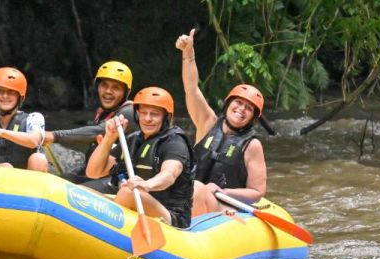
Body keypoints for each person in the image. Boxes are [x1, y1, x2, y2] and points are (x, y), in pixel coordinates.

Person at [175, 29, 267, 217]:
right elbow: (191, 89)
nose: (241, 109)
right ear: (228, 104)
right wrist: (188, 55)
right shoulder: (207, 122)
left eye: (248, 108)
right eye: (238, 103)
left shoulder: (252, 145)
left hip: (223, 205)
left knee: (199, 189)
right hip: (190, 199)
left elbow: (257, 192)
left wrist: (222, 192)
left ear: (252, 117)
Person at [85, 86, 196, 228]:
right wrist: (109, 138)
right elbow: (93, 172)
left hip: (171, 215)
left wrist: (146, 185)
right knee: (85, 193)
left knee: (128, 193)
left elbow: (170, 174)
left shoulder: (175, 142)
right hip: (136, 203)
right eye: (143, 113)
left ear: (166, 117)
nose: (147, 119)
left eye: (154, 114)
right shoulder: (133, 140)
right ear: (137, 115)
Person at [39, 60, 137, 192]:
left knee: (68, 191)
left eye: (116, 88)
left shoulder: (129, 113)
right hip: (97, 173)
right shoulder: (103, 113)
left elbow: (99, 131)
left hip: (119, 179)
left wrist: (55, 136)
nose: (108, 91)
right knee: (56, 182)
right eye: (104, 85)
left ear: (125, 92)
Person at [0, 67, 48, 172]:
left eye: (11, 92)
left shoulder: (34, 118)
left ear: (20, 97)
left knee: (38, 159)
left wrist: (0, 132)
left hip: (27, 183)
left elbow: (34, 141)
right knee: (5, 167)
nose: (5, 96)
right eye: (0, 91)